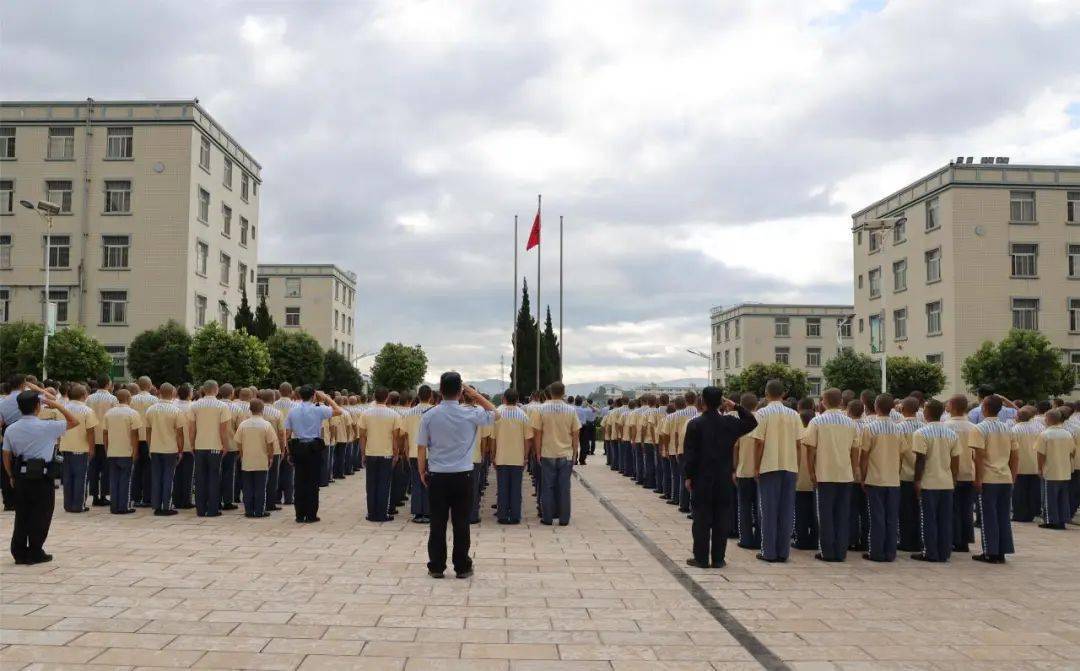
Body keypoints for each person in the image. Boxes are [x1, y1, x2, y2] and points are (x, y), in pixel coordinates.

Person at [416, 373, 495, 579]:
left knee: (438, 523)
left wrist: (421, 470)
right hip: (463, 475)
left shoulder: (429, 415)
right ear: (461, 392)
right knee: (461, 523)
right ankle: (462, 566)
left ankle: (436, 566)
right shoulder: (471, 414)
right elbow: (496, 413)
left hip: (438, 475)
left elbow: (422, 447)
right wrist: (475, 394)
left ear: (440, 391)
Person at [682, 387, 757, 568]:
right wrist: (736, 406)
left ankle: (700, 558)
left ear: (703, 402)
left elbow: (690, 454)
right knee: (721, 519)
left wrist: (688, 476)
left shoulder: (695, 424)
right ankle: (718, 558)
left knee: (701, 520)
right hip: (723, 478)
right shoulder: (729, 422)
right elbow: (752, 422)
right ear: (721, 402)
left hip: (702, 479)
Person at [3, 389, 77, 564]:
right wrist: (57, 404)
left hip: (21, 475)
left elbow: (6, 454)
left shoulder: (11, 429)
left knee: (22, 514)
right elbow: (74, 421)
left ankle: (19, 552)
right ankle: (36, 550)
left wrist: (10, 475)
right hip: (42, 477)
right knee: (41, 514)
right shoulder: (48, 426)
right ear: (38, 406)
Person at [802, 388, 860, 562]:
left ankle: (827, 551)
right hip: (845, 474)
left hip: (824, 474)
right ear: (841, 401)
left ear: (823, 401)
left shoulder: (817, 421)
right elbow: (855, 450)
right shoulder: (851, 423)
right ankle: (840, 552)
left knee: (825, 515)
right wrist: (853, 468)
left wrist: (811, 471)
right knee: (842, 514)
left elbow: (810, 449)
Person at [751, 380, 801, 563]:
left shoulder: (762, 413)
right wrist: (798, 466)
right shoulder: (794, 415)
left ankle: (769, 552)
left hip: (769, 466)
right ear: (783, 394)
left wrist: (756, 466)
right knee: (787, 510)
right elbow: (798, 444)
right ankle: (783, 552)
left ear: (766, 393)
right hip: (790, 467)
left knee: (768, 511)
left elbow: (758, 443)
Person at [969, 394, 1018, 563]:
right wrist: (1013, 476)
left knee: (988, 517)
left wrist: (978, 478)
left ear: (984, 408)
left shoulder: (979, 428)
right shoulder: (1008, 428)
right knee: (1003, 516)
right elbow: (1015, 456)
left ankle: (990, 551)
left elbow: (979, 457)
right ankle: (1002, 551)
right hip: (1005, 476)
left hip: (988, 478)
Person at [284, 386, 342, 523]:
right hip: (313, 448)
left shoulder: (293, 411)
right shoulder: (318, 409)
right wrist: (327, 398)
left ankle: (299, 514)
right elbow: (339, 411)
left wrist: (288, 451)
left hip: (298, 447)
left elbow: (287, 433)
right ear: (314, 395)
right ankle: (311, 515)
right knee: (313, 482)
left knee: (299, 481)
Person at [910, 400, 959, 562]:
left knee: (928, 518)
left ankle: (930, 552)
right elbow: (955, 459)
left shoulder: (921, 433)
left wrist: (917, 480)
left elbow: (920, 460)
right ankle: (944, 552)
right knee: (945, 519)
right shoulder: (951, 433)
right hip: (946, 481)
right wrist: (953, 478)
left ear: (927, 413)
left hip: (929, 481)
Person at [860, 394, 908, 562]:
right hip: (893, 479)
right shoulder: (898, 428)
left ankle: (876, 551)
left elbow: (864, 456)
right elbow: (902, 455)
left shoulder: (870, 428)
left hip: (875, 478)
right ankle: (890, 552)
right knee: (891, 518)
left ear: (876, 406)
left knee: (877, 517)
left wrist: (863, 476)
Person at [532, 382, 581, 526]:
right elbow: (576, 433)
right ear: (564, 392)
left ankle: (547, 518)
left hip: (548, 452)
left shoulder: (541, 409)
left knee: (547, 487)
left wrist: (538, 451)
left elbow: (538, 433)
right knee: (564, 488)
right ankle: (564, 519)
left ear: (550, 392)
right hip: (565, 453)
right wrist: (574, 452)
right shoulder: (571, 410)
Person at [357, 388, 403, 522]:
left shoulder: (365, 414)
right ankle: (382, 513)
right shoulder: (393, 414)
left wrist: (363, 453)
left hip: (371, 452)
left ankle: (371, 513)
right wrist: (396, 453)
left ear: (374, 397)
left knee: (371, 484)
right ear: (387, 397)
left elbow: (362, 436)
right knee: (384, 484)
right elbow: (395, 437)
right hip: (386, 453)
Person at [187, 380, 232, 518]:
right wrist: (225, 445)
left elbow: (192, 429)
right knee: (214, 477)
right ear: (216, 389)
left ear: (204, 390)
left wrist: (192, 444)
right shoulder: (222, 406)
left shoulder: (194, 405)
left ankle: (200, 509)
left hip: (200, 446)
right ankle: (213, 509)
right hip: (215, 446)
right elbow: (223, 430)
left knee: (200, 478)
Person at [144, 384, 185, 516]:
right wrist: (180, 450)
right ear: (173, 393)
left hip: (155, 448)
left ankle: (156, 505)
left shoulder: (151, 410)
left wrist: (150, 446)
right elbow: (179, 433)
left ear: (159, 392)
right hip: (170, 449)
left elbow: (148, 431)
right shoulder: (176, 410)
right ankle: (166, 505)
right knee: (168, 477)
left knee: (156, 477)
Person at [493, 389, 533, 524]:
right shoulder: (523, 416)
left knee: (502, 488)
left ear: (504, 398)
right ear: (517, 399)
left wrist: (493, 455)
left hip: (501, 456)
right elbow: (528, 439)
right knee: (516, 488)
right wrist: (526, 456)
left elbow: (493, 438)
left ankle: (502, 515)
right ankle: (515, 515)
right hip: (518, 458)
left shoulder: (498, 414)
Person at [58, 384, 98, 513]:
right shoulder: (87, 411)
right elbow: (91, 431)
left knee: (68, 477)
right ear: (84, 395)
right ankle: (78, 505)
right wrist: (92, 448)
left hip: (65, 447)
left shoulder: (63, 408)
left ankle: (68, 504)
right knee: (81, 477)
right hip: (81, 448)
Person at [944, 395, 978, 552]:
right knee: (966, 508)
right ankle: (965, 540)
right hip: (969, 471)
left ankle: (954, 539)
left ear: (952, 406)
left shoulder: (946, 426)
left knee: (953, 508)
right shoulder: (973, 427)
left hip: (951, 472)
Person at [235, 399, 278, 518]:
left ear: (250, 409)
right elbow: (270, 443)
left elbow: (238, 442)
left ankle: (248, 510)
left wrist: (242, 454)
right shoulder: (266, 425)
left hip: (247, 459)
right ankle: (259, 511)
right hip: (261, 459)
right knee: (260, 487)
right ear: (262, 409)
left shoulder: (243, 424)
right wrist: (271, 457)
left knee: (247, 487)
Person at [103, 389, 143, 515]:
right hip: (126, 451)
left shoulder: (108, 413)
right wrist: (135, 451)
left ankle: (114, 506)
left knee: (114, 480)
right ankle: (124, 506)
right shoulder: (133, 413)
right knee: (126, 480)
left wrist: (107, 448)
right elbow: (135, 434)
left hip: (112, 451)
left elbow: (105, 433)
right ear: (129, 398)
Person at [1036, 409, 1076, 529]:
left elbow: (1041, 453)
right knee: (1063, 497)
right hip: (1064, 470)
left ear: (1049, 419)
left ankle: (1051, 520)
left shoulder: (1045, 434)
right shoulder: (1067, 433)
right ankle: (1062, 520)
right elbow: (1072, 452)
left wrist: (1039, 468)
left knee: (1049, 497)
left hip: (1051, 470)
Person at [896, 397, 925, 553]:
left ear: (903, 409)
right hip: (921, 475)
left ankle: (906, 541)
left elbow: (899, 454)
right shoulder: (924, 427)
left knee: (905, 511)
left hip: (905, 474)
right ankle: (918, 541)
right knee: (918, 510)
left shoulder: (899, 428)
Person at [85, 376, 117, 508]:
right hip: (106, 437)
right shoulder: (112, 399)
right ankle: (104, 494)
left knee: (93, 468)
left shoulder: (89, 398)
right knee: (105, 468)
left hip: (92, 436)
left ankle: (95, 495)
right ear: (108, 384)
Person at [403, 386, 434, 523]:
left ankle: (417, 512)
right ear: (431, 396)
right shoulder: (435, 412)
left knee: (416, 482)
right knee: (429, 483)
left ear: (418, 396)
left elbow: (404, 434)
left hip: (414, 452)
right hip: (431, 453)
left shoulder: (410, 413)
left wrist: (406, 450)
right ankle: (428, 512)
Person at [792, 401, 818, 551]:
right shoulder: (816, 434)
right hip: (814, 480)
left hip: (800, 481)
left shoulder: (798, 436)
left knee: (800, 512)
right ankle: (815, 539)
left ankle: (801, 539)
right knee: (815, 514)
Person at [1010, 407, 1043, 523]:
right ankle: (1031, 513)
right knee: (1033, 491)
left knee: (1019, 491)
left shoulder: (1015, 429)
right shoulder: (1039, 427)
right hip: (1035, 463)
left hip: (1021, 464)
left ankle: (1019, 514)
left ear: (1018, 417)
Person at [129, 377, 157, 507]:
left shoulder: (131, 399)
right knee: (149, 469)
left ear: (138, 386)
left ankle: (135, 497)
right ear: (150, 385)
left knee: (136, 468)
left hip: (134, 437)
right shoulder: (154, 400)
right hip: (148, 438)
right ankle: (147, 497)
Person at [259, 390, 286, 512]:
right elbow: (281, 433)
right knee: (273, 477)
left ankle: (258, 502)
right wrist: (282, 447)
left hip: (258, 449)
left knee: (259, 476)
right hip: (274, 449)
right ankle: (270, 503)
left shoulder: (255, 412)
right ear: (273, 398)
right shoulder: (277, 413)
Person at [172, 384, 195, 509]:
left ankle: (176, 499)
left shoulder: (173, 405)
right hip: (188, 445)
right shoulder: (192, 407)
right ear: (188, 394)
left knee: (176, 473)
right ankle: (186, 500)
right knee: (188, 474)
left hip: (175, 444)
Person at [273, 384, 297, 506]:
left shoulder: (274, 405)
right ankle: (288, 497)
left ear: (279, 391)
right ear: (291, 392)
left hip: (275, 441)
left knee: (276, 471)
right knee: (289, 471)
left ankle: (276, 497)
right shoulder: (295, 406)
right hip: (291, 441)